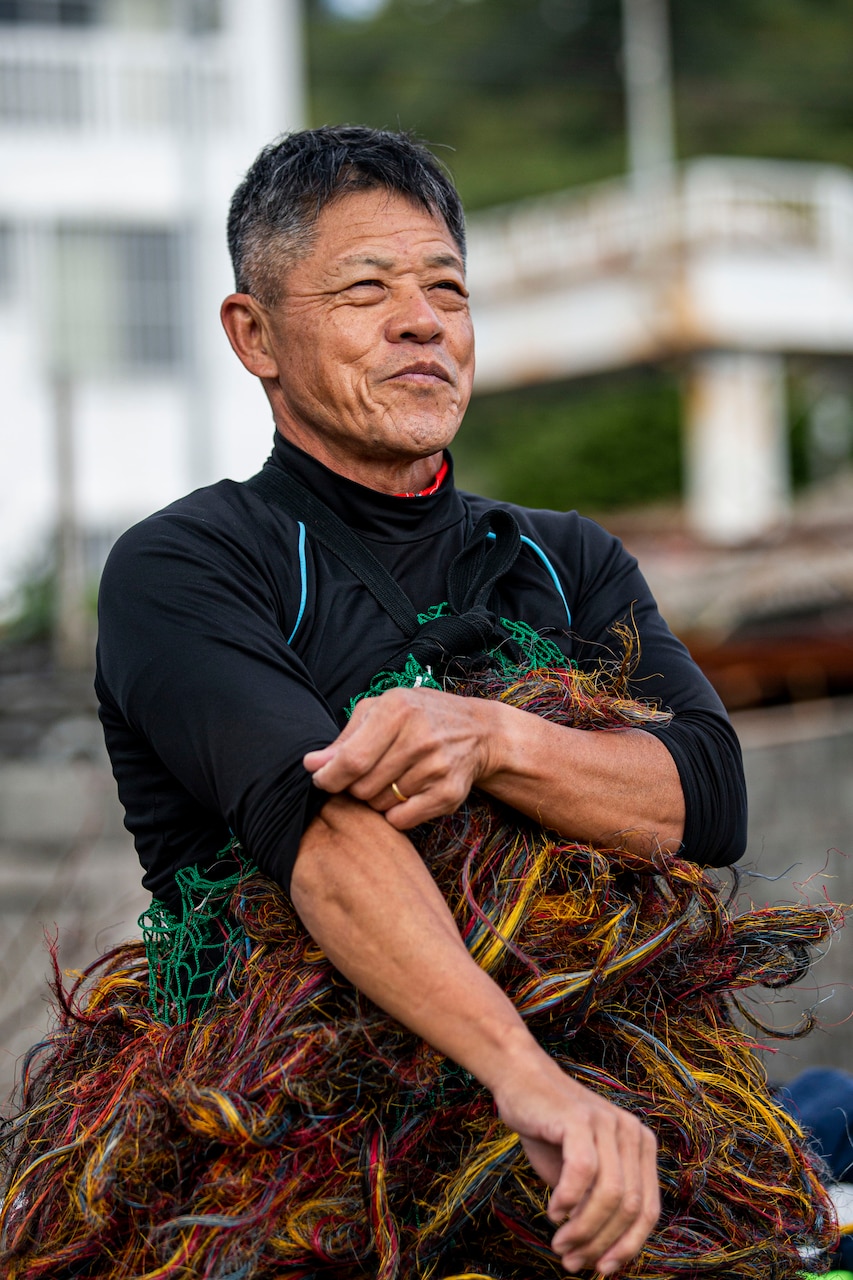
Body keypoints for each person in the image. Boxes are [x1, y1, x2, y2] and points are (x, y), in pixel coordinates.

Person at [88, 126, 747, 1277]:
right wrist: (527, 1080)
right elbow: (323, 828)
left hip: (626, 1089)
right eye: (365, 289)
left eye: (447, 289)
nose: (422, 321)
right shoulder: (191, 563)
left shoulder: (567, 559)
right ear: (255, 336)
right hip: (293, 1124)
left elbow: (705, 793)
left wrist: (491, 734)